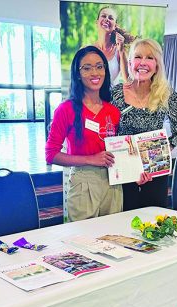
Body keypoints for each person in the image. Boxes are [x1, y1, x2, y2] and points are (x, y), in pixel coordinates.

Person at [111, 38, 177, 211]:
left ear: (157, 65)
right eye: (138, 57)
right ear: (130, 62)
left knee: (153, 225)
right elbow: (106, 131)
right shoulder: (115, 94)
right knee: (121, 226)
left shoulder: (165, 94)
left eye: (150, 57)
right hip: (123, 173)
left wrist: (166, 148)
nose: (143, 62)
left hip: (154, 170)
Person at [45, 45, 122, 222]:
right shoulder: (66, 109)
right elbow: (51, 155)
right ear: (78, 74)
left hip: (113, 182)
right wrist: (91, 159)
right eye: (87, 68)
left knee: (114, 237)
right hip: (83, 181)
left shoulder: (113, 111)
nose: (95, 73)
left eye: (99, 66)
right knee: (83, 241)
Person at [94, 6, 134, 86]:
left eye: (111, 18)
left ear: (115, 25)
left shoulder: (119, 51)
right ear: (97, 22)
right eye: (103, 16)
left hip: (111, 97)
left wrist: (121, 51)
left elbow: (127, 81)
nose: (107, 19)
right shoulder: (87, 49)